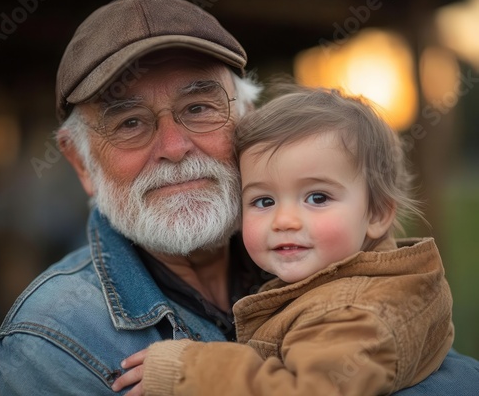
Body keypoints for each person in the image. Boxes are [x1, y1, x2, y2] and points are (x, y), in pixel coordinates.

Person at [0, 0, 479, 395]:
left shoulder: (338, 262)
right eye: (130, 123)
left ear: (247, 122)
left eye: (199, 106)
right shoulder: (50, 339)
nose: (175, 148)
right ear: (82, 163)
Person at [109, 85, 453, 396]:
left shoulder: (353, 314)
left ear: (377, 214)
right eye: (264, 201)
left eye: (317, 198)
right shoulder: (347, 284)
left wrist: (187, 370)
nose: (284, 221)